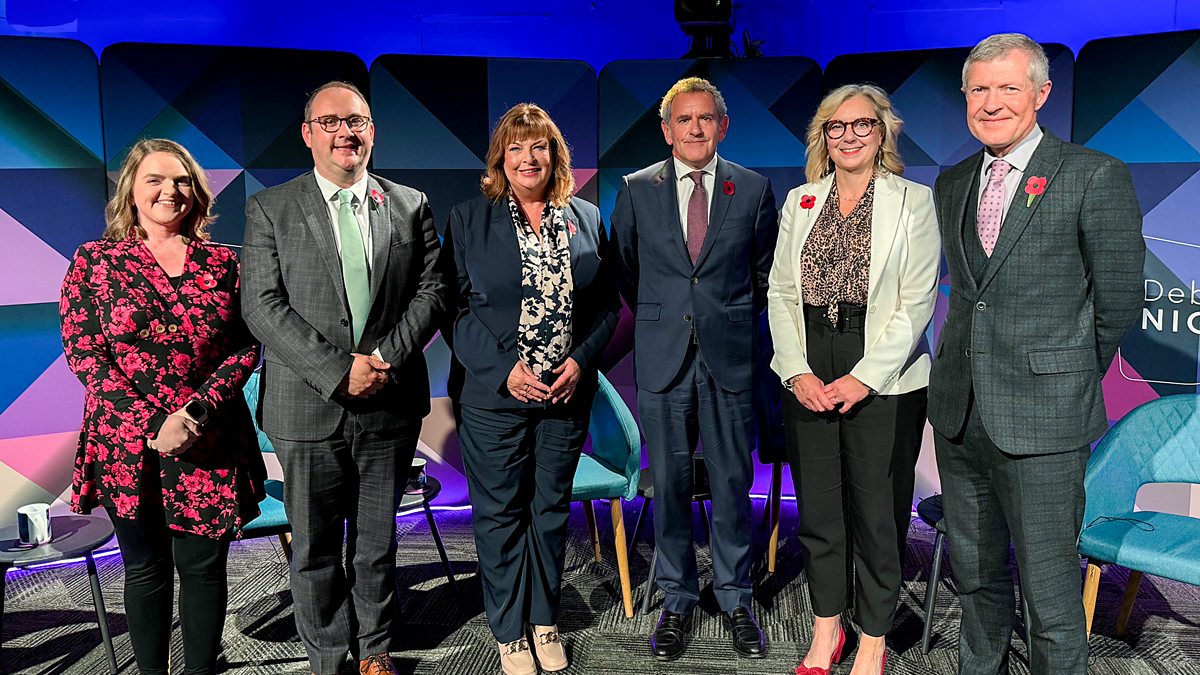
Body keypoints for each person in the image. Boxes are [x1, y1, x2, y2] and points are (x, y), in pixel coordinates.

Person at [929, 33, 1145, 675]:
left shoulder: (1093, 174)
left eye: (1008, 87)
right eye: (979, 89)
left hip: (1046, 419)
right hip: (960, 413)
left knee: (1050, 596)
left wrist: (1062, 375)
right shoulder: (952, 181)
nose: (991, 102)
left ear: (1042, 94)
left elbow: (1116, 303)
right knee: (975, 580)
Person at [240, 81, 451, 675]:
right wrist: (338, 371)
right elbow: (261, 305)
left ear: (372, 130)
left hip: (390, 400)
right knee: (314, 548)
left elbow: (433, 290)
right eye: (329, 122)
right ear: (308, 134)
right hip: (307, 405)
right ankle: (330, 659)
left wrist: (383, 359)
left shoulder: (409, 204)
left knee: (377, 542)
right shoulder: (271, 208)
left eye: (355, 120)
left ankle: (375, 650)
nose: (344, 133)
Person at [59, 138, 265, 675]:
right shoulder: (94, 261)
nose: (169, 191)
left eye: (181, 180)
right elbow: (85, 354)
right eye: (154, 179)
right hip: (128, 439)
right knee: (145, 568)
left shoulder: (224, 262)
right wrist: (153, 423)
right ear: (131, 189)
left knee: (203, 568)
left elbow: (246, 347)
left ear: (197, 193)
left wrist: (192, 415)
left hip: (208, 435)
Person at [768, 84, 941, 675]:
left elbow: (916, 303)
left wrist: (863, 377)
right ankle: (827, 630)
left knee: (878, 513)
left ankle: (873, 636)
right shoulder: (802, 200)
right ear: (823, 135)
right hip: (809, 360)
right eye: (836, 127)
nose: (849, 136)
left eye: (862, 124)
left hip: (884, 371)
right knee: (819, 511)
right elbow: (781, 292)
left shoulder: (913, 201)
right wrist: (796, 370)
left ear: (883, 131)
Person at [444, 102, 619, 675]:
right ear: (500, 157)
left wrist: (581, 362)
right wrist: (504, 370)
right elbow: (452, 311)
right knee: (500, 514)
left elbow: (606, 306)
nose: (527, 157)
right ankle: (509, 631)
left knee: (549, 510)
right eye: (515, 147)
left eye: (538, 146)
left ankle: (544, 620)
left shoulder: (586, 217)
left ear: (554, 155)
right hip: (495, 398)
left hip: (565, 397)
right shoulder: (469, 219)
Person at [610, 76, 778, 661]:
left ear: (723, 126)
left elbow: (763, 274)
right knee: (671, 485)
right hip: (663, 361)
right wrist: (667, 315)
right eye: (684, 119)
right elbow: (626, 270)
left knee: (732, 484)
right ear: (667, 130)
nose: (696, 128)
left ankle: (735, 598)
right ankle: (677, 599)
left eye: (706, 118)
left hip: (730, 359)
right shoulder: (636, 189)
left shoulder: (753, 188)